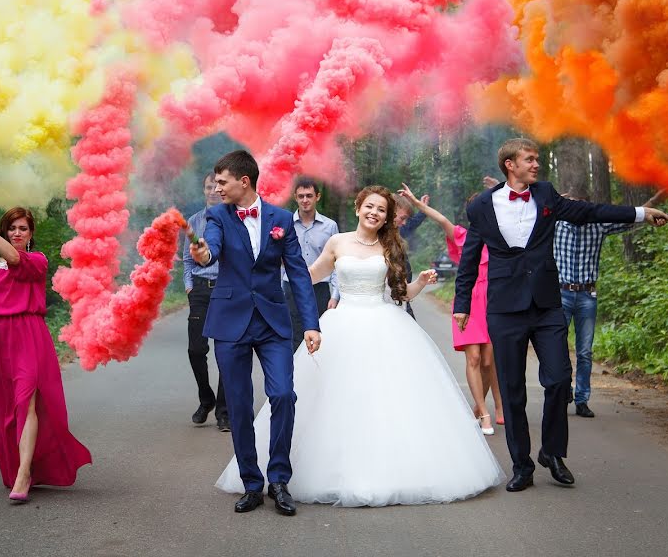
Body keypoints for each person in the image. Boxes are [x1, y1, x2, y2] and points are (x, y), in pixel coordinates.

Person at [216, 186, 503, 507]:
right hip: (342, 324)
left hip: (386, 325)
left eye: (381, 209)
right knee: (332, 395)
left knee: (387, 399)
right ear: (358, 209)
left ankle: (390, 469)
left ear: (386, 217)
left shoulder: (391, 247)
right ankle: (285, 474)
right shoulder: (338, 242)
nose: (374, 213)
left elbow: (401, 294)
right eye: (370, 206)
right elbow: (308, 276)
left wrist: (420, 282)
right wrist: (271, 269)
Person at [453, 138, 668, 492]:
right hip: (505, 309)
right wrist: (462, 303)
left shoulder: (546, 194)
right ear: (510, 165)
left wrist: (642, 214)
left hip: (547, 305)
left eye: (537, 159)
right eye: (530, 159)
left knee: (557, 381)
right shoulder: (481, 206)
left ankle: (552, 453)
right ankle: (521, 465)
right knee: (513, 391)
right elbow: (470, 257)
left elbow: (590, 212)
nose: (537, 164)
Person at [189, 150, 321, 516]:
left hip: (273, 322)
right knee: (240, 407)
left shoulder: (280, 219)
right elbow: (210, 251)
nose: (217, 189)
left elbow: (297, 271)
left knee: (282, 396)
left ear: (243, 181)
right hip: (231, 323)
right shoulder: (216, 216)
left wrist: (310, 323)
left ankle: (279, 478)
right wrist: (202, 254)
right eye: (215, 183)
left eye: (222, 182)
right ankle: (251, 483)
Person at [0, 207, 91, 502]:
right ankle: (17, 466)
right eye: (12, 228)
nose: (17, 233)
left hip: (28, 334)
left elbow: (13, 258)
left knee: (26, 403)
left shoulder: (36, 260)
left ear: (31, 233)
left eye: (23, 228)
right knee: (6, 408)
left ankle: (23, 474)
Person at [397, 183, 504, 435]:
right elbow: (441, 219)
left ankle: (482, 407)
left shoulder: (501, 239)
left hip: (494, 301)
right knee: (474, 358)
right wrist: (416, 203)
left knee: (489, 360)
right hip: (468, 300)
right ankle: (483, 412)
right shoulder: (463, 236)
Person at [555, 186, 664, 418]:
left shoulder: (599, 224)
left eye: (581, 208)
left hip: (587, 296)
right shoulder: (556, 224)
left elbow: (633, 218)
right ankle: (564, 389)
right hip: (560, 294)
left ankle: (582, 400)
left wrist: (656, 203)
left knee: (584, 351)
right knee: (556, 347)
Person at [183, 173, 229, 431]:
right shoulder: (194, 221)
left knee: (225, 350)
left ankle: (224, 411)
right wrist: (189, 287)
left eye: (217, 186)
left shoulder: (230, 219)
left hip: (225, 290)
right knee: (196, 349)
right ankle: (206, 398)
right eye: (208, 186)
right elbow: (188, 260)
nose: (213, 191)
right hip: (199, 290)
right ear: (204, 190)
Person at [283, 177, 340, 350]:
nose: (305, 200)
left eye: (309, 195)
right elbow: (278, 261)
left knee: (319, 335)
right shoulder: (285, 224)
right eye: (301, 196)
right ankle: (295, 376)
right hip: (290, 288)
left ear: (318, 197)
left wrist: (335, 294)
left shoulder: (330, 226)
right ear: (295, 197)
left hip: (319, 289)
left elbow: (337, 263)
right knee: (293, 336)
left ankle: (316, 375)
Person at [393, 192, 428, 318]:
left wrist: (422, 209)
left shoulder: (399, 230)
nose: (404, 223)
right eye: (402, 218)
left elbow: (412, 223)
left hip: (403, 295)